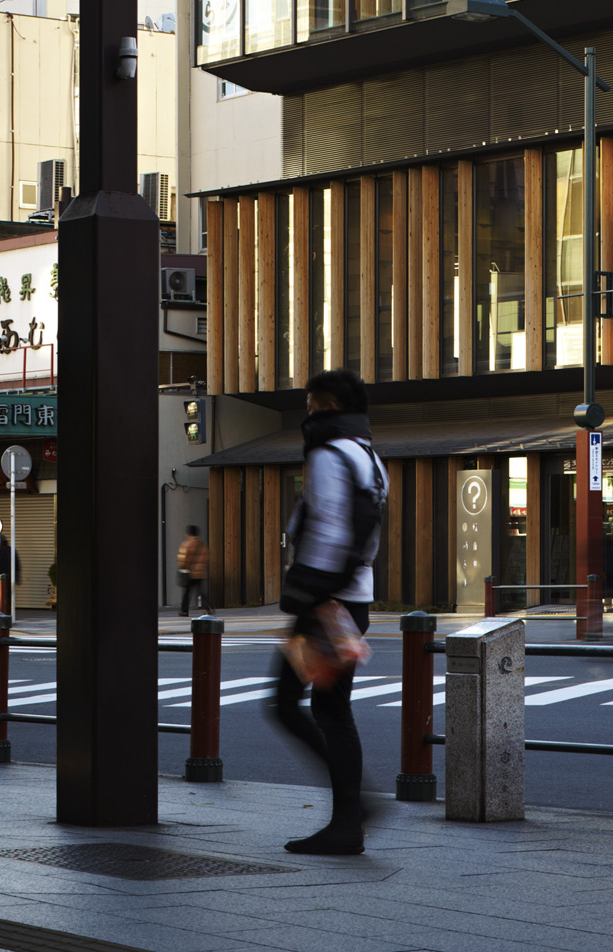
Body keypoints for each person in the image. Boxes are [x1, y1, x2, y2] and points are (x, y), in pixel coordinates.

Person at [270, 367, 386, 858]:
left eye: (312, 406)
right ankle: (349, 819)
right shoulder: (369, 456)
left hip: (324, 605)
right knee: (331, 709)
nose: (307, 415)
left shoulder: (328, 453)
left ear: (329, 407)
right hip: (350, 601)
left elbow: (331, 529)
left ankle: (354, 811)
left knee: (286, 703)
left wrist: (306, 593)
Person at [177, 526, 210, 616]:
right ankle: (208, 608)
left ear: (188, 534)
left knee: (186, 593)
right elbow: (206, 558)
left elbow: (183, 559)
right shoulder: (202, 545)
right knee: (200, 592)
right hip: (200, 573)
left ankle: (184, 611)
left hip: (189, 573)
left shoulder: (186, 544)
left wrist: (183, 567)